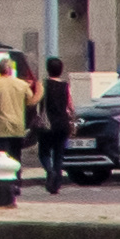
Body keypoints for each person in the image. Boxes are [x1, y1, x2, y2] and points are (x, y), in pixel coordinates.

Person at [35, 53, 76, 192]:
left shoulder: (43, 84)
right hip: (62, 124)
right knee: (58, 154)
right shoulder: (65, 86)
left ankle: (50, 171)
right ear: (61, 70)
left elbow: (35, 100)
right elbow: (70, 106)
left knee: (43, 153)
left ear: (47, 69)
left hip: (48, 124)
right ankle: (56, 184)